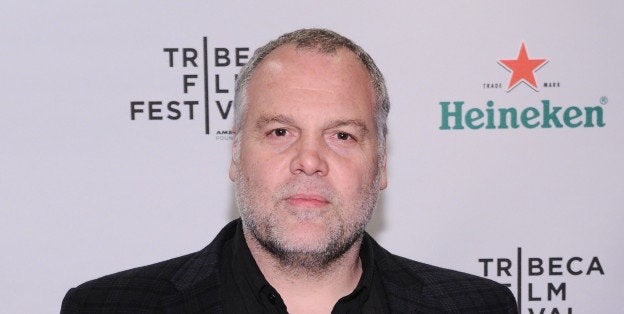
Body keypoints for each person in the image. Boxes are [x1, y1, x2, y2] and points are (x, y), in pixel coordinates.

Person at [62, 28, 517, 313]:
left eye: (342, 135)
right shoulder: (110, 306)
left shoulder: (478, 307)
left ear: (380, 165)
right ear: (236, 155)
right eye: (280, 132)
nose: (310, 161)